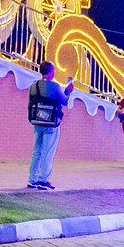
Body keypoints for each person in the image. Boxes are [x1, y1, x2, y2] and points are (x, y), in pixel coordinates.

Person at [25, 61, 75, 190]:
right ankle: (43, 180)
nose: (55, 72)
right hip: (51, 122)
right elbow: (64, 101)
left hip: (37, 120)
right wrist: (68, 91)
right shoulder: (54, 86)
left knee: (37, 151)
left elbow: (30, 103)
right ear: (50, 71)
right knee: (48, 151)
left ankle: (32, 179)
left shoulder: (34, 85)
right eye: (54, 70)